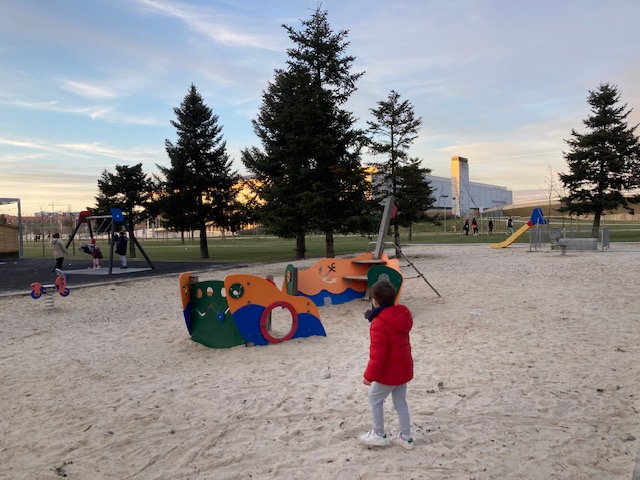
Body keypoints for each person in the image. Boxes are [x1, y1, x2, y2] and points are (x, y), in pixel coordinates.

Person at [359, 280, 415, 450]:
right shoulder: (401, 316)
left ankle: (378, 434)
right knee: (400, 403)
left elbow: (378, 355)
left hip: (389, 372)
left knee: (374, 398)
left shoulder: (380, 323)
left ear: (375, 302)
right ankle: (406, 437)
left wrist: (369, 376)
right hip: (402, 369)